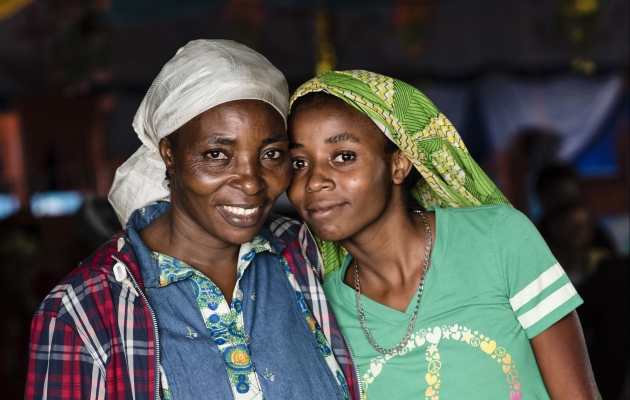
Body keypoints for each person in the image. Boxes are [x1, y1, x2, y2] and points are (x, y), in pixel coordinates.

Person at [25, 40, 359, 400]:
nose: (250, 181)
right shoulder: (84, 311)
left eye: (271, 154)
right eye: (217, 154)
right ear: (169, 153)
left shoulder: (302, 252)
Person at [286, 70, 599, 399]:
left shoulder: (498, 238)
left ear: (399, 164)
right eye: (298, 163)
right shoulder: (323, 313)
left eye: (344, 156)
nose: (314, 180)